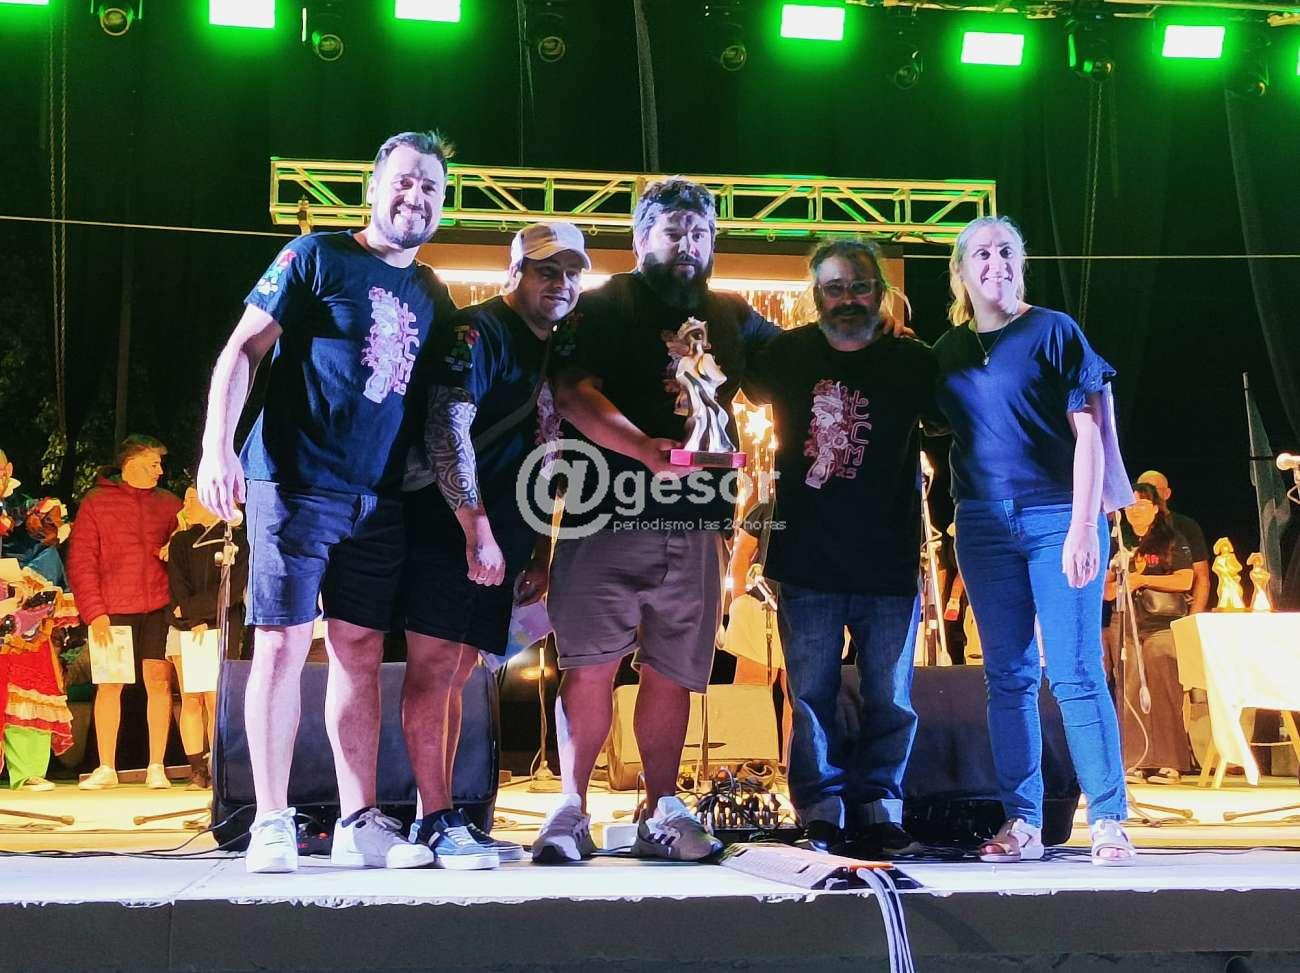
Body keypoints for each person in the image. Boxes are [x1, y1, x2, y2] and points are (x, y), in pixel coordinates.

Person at [197, 130, 454, 874]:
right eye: (404, 180)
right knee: (281, 642)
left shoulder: (431, 291)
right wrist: (216, 448)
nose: (416, 196)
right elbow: (243, 349)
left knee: (360, 651)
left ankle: (358, 820)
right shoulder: (315, 256)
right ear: (374, 187)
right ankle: (271, 819)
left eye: (431, 186)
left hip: (379, 498)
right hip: (294, 481)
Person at [537, 178, 781, 863]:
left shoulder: (733, 315)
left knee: (673, 670)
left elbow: (798, 362)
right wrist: (643, 448)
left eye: (700, 233)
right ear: (642, 237)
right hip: (603, 514)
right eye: (674, 231)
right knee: (591, 664)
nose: (688, 244)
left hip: (698, 522)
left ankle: (661, 808)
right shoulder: (604, 304)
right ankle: (571, 808)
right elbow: (571, 393)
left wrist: (876, 335)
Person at [933, 216, 1137, 866]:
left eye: (1006, 251)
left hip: (1057, 516)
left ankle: (1109, 818)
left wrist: (1083, 525)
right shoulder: (947, 351)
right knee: (1009, 677)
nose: (995, 262)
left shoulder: (1053, 330)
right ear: (961, 273)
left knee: (1074, 670)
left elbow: (1088, 433)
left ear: (1020, 264)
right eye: (982, 254)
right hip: (983, 524)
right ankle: (1023, 821)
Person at [400, 221, 588, 868]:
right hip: (449, 527)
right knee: (434, 667)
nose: (560, 283)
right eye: (546, 270)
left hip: (505, 537)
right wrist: (474, 524)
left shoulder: (554, 349)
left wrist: (538, 552)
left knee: (457, 671)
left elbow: (545, 455)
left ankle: (449, 814)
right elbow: (446, 426)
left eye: (570, 273)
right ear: (515, 272)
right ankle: (432, 819)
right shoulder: (477, 331)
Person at [745, 239, 937, 858]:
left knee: (891, 698)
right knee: (810, 696)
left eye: (859, 286)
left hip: (888, 559)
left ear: (880, 291)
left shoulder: (914, 360)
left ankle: (880, 809)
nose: (847, 298)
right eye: (834, 287)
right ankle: (821, 813)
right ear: (816, 295)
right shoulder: (786, 354)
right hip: (807, 560)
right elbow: (730, 365)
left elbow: (955, 420)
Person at [66, 435, 183, 791]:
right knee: (109, 684)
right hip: (111, 609)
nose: (160, 471)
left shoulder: (170, 503)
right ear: (131, 463)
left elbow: (187, 550)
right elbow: (82, 561)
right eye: (153, 464)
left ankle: (157, 766)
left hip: (160, 606)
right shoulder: (97, 502)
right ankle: (105, 766)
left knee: (159, 683)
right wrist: (94, 611)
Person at [1104, 482, 1195, 783]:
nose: (1135, 511)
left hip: (1162, 625)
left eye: (1142, 504)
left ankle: (1170, 762)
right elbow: (1106, 592)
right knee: (1129, 689)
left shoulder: (1171, 539)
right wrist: (1114, 573)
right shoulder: (1118, 542)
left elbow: (1185, 580)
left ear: (1155, 508)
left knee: (1163, 686)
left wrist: (1142, 579)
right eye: (1130, 505)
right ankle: (1136, 760)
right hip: (1127, 625)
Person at [166, 487, 250, 790]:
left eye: (192, 498)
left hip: (220, 628)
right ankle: (196, 769)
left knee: (216, 700)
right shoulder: (181, 541)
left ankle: (219, 765)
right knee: (190, 697)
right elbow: (177, 586)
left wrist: (194, 612)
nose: (185, 504)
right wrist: (192, 619)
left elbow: (231, 590)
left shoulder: (237, 541)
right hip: (184, 629)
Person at [1136, 470, 1210, 613]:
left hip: (1170, 613)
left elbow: (1201, 577)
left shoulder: (1185, 527)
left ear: (1167, 493)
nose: (1148, 495)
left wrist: (1192, 618)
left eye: (1153, 490)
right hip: (1130, 615)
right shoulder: (1126, 529)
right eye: (1142, 491)